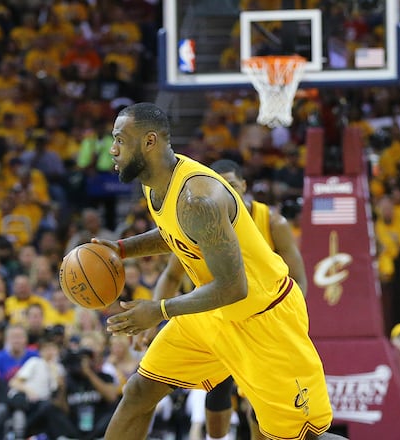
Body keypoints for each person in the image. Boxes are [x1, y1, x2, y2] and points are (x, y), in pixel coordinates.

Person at [95, 103, 341, 440]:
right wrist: (122, 249)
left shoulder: (198, 199)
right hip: (211, 312)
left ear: (149, 142)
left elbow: (233, 287)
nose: (113, 149)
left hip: (261, 316)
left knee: (304, 438)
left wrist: (159, 311)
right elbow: (175, 233)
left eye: (120, 140)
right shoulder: (154, 184)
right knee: (139, 391)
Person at [141, 157, 310, 440]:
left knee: (263, 407)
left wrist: (290, 323)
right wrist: (153, 319)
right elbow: (170, 276)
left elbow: (299, 278)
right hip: (216, 317)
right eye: (217, 185)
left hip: (262, 322)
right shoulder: (201, 216)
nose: (224, 190)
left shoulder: (271, 222)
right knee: (216, 393)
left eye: (230, 184)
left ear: (243, 185)